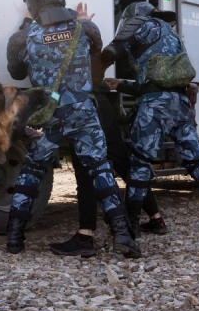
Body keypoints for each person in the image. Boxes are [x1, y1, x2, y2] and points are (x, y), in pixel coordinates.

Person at [6, 0, 139, 258]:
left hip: (48, 116)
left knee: (31, 171)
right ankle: (123, 236)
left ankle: (15, 238)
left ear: (32, 4)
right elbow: (94, 52)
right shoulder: (86, 28)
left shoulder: (22, 38)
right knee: (100, 170)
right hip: (82, 113)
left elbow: (17, 73)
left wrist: (29, 24)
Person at [101, 2, 199, 234]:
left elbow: (112, 52)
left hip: (154, 107)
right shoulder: (169, 32)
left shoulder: (139, 25)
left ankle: (131, 226)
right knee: (197, 162)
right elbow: (158, 81)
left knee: (140, 164)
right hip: (180, 105)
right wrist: (121, 84)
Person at [70, 81, 167, 245]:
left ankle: (86, 234)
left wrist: (54, 98)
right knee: (125, 165)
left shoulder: (51, 58)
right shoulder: (87, 56)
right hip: (101, 103)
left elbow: (54, 90)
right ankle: (155, 217)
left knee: (85, 171)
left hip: (78, 107)